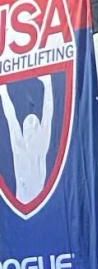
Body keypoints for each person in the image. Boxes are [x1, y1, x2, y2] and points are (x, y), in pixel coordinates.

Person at [1, 75, 55, 206]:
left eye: (34, 123)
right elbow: (11, 119)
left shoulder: (41, 147)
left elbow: (48, 114)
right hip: (23, 198)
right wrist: (3, 93)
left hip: (37, 200)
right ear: (24, 133)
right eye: (30, 123)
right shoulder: (19, 146)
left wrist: (48, 85)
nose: (32, 124)